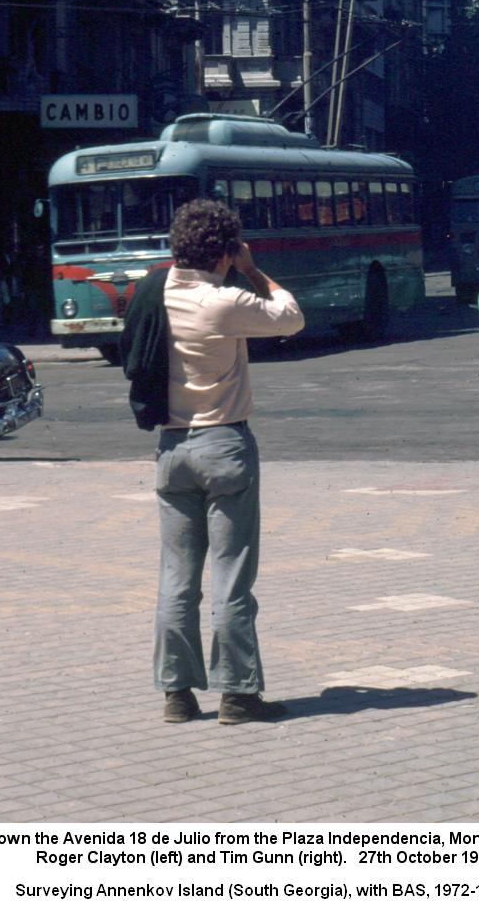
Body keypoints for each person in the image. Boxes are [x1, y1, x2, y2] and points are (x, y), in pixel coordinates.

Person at [121, 199, 304, 726]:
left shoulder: (153, 292)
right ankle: (238, 695)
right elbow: (291, 318)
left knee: (176, 578)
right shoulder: (222, 300)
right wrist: (251, 268)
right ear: (225, 251)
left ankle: (177, 695)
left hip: (172, 450)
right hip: (224, 447)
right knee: (231, 577)